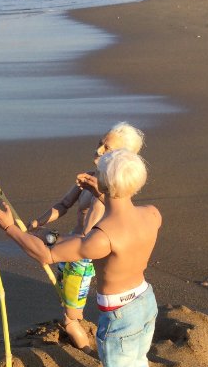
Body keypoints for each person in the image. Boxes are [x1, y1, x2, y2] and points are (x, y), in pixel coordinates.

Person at [0, 149, 162, 367]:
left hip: (120, 314)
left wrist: (10, 229)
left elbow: (46, 254)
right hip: (146, 301)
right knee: (138, 362)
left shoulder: (102, 237)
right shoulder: (153, 214)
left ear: (106, 186)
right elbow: (123, 214)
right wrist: (104, 191)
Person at [26, 123, 145, 350]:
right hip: (66, 251)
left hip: (80, 259)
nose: (99, 150)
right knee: (66, 307)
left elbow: (85, 238)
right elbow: (63, 204)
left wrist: (44, 237)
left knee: (70, 319)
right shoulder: (89, 178)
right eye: (100, 143)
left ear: (121, 157)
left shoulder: (110, 195)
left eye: (107, 148)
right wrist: (37, 222)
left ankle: (88, 355)